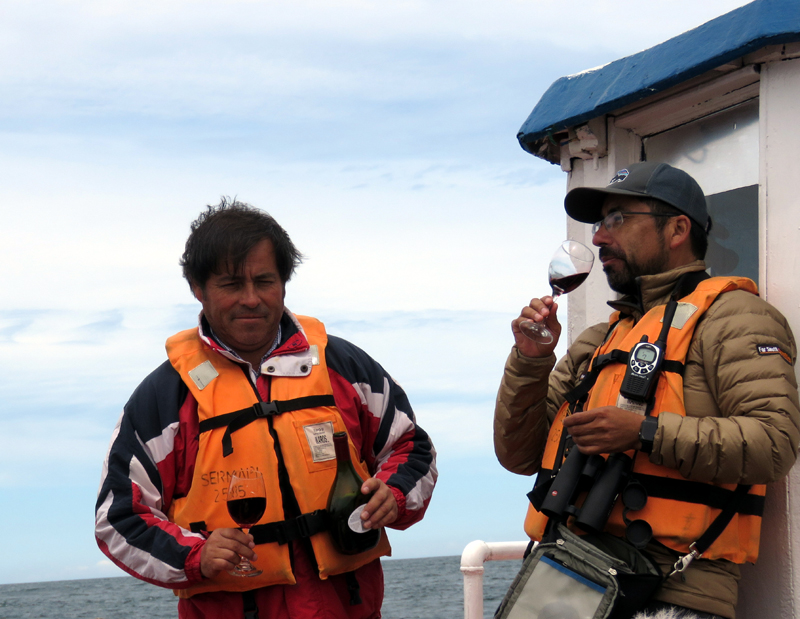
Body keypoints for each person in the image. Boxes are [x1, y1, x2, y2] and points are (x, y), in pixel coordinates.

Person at [95, 199, 437, 619]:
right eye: (231, 284)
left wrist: (394, 494)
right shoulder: (164, 399)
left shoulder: (345, 368)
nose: (251, 299)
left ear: (284, 284)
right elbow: (118, 519)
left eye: (264, 281)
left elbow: (411, 449)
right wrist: (194, 556)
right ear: (198, 290)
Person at [494, 162, 800, 619]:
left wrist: (645, 433)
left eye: (617, 219)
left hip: (670, 591)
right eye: (599, 223)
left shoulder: (736, 319)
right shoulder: (598, 340)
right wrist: (531, 361)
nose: (598, 238)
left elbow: (774, 444)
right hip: (565, 580)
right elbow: (518, 455)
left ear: (677, 229)